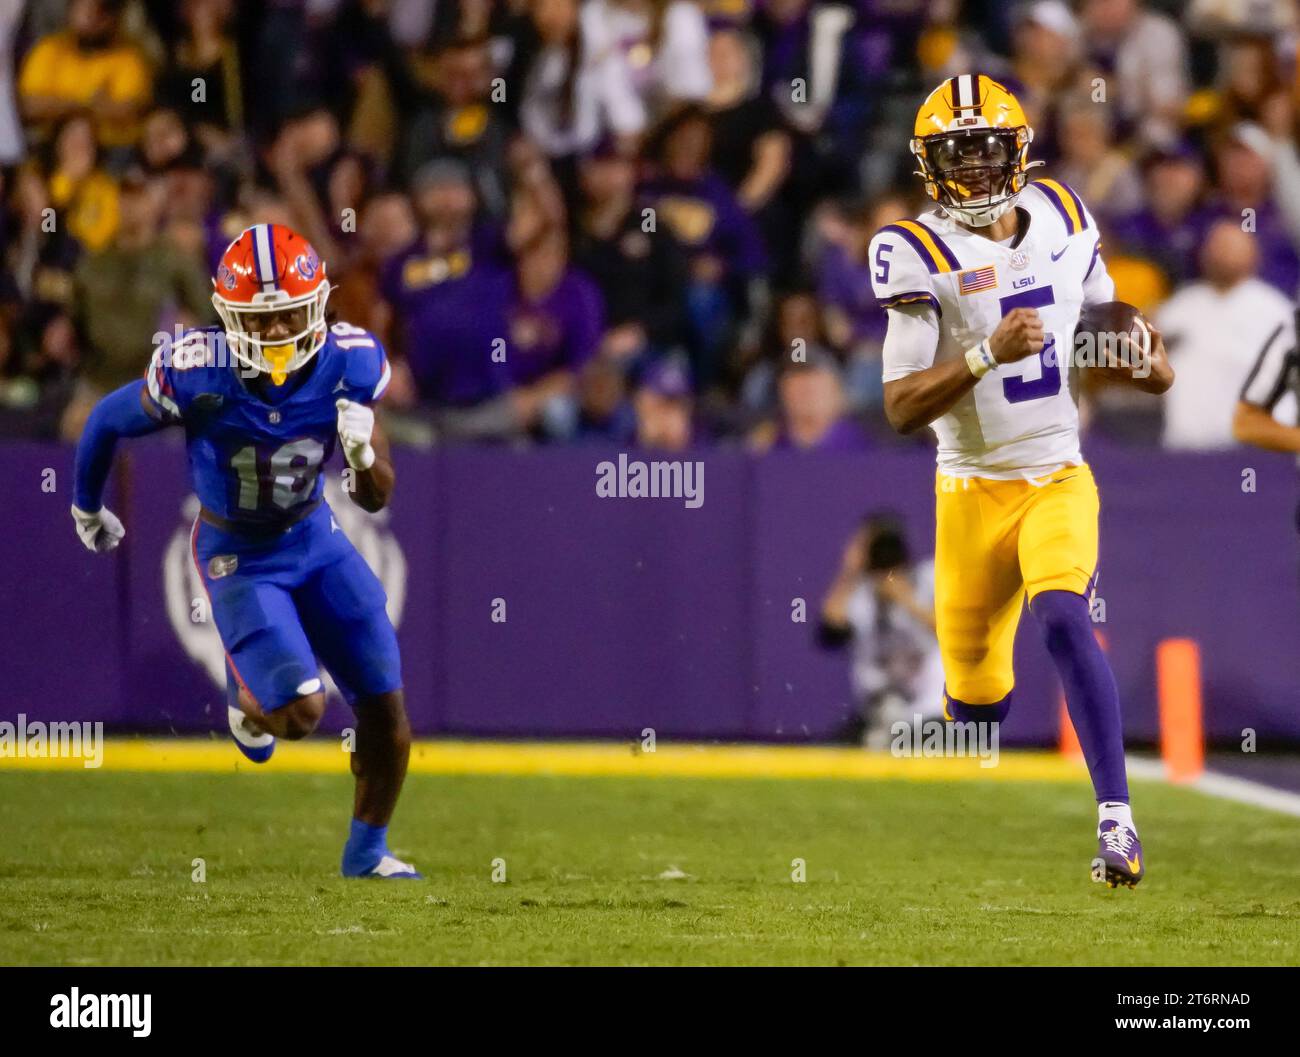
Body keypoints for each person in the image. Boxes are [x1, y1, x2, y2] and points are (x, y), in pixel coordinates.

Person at [869, 74, 1173, 889]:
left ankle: (1118, 820)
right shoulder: (913, 249)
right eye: (954, 158)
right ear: (928, 166)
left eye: (986, 152)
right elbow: (899, 406)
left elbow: (1113, 328)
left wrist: (1147, 361)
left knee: (1065, 615)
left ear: (1018, 153)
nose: (972, 172)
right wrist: (983, 354)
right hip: (968, 491)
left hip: (1055, 474)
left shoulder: (1068, 216)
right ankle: (943, 721)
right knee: (976, 716)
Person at [69, 224, 420, 880]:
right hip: (239, 552)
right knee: (300, 712)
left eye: (290, 312)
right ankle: (246, 689)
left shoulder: (352, 362)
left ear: (319, 304)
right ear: (229, 318)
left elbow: (374, 498)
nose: (279, 332)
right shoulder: (198, 370)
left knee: (388, 716)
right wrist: (85, 503)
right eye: (261, 319)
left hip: (315, 536)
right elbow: (107, 419)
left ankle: (366, 853)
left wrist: (364, 455)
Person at [818, 513, 943, 749]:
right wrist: (850, 572)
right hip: (879, 710)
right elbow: (828, 633)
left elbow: (955, 634)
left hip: (930, 712)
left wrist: (907, 599)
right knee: (831, 756)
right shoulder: (859, 593)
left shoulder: (928, 578)